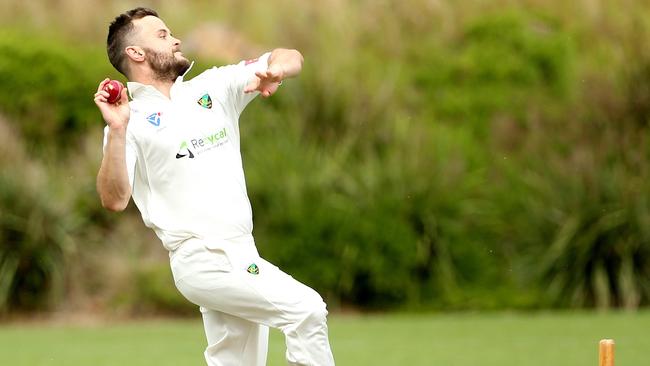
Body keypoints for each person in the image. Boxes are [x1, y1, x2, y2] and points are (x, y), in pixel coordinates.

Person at [93, 7, 335, 366]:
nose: (175, 39)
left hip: (242, 251)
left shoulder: (212, 87)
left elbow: (290, 56)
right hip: (202, 257)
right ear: (136, 53)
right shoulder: (129, 122)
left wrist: (278, 68)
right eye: (161, 35)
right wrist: (116, 129)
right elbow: (114, 200)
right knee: (306, 310)